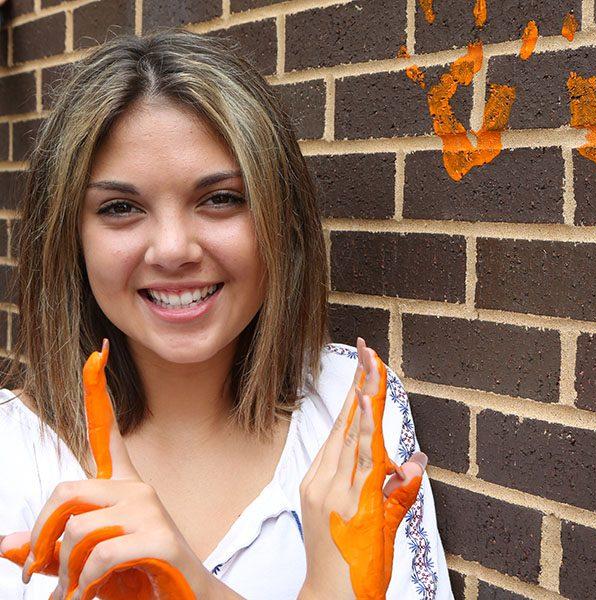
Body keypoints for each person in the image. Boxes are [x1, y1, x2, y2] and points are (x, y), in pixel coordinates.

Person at [0, 29, 451, 599]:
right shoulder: (10, 453)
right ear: (71, 237)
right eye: (120, 208)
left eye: (220, 199)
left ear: (280, 217)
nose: (171, 249)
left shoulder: (350, 407)